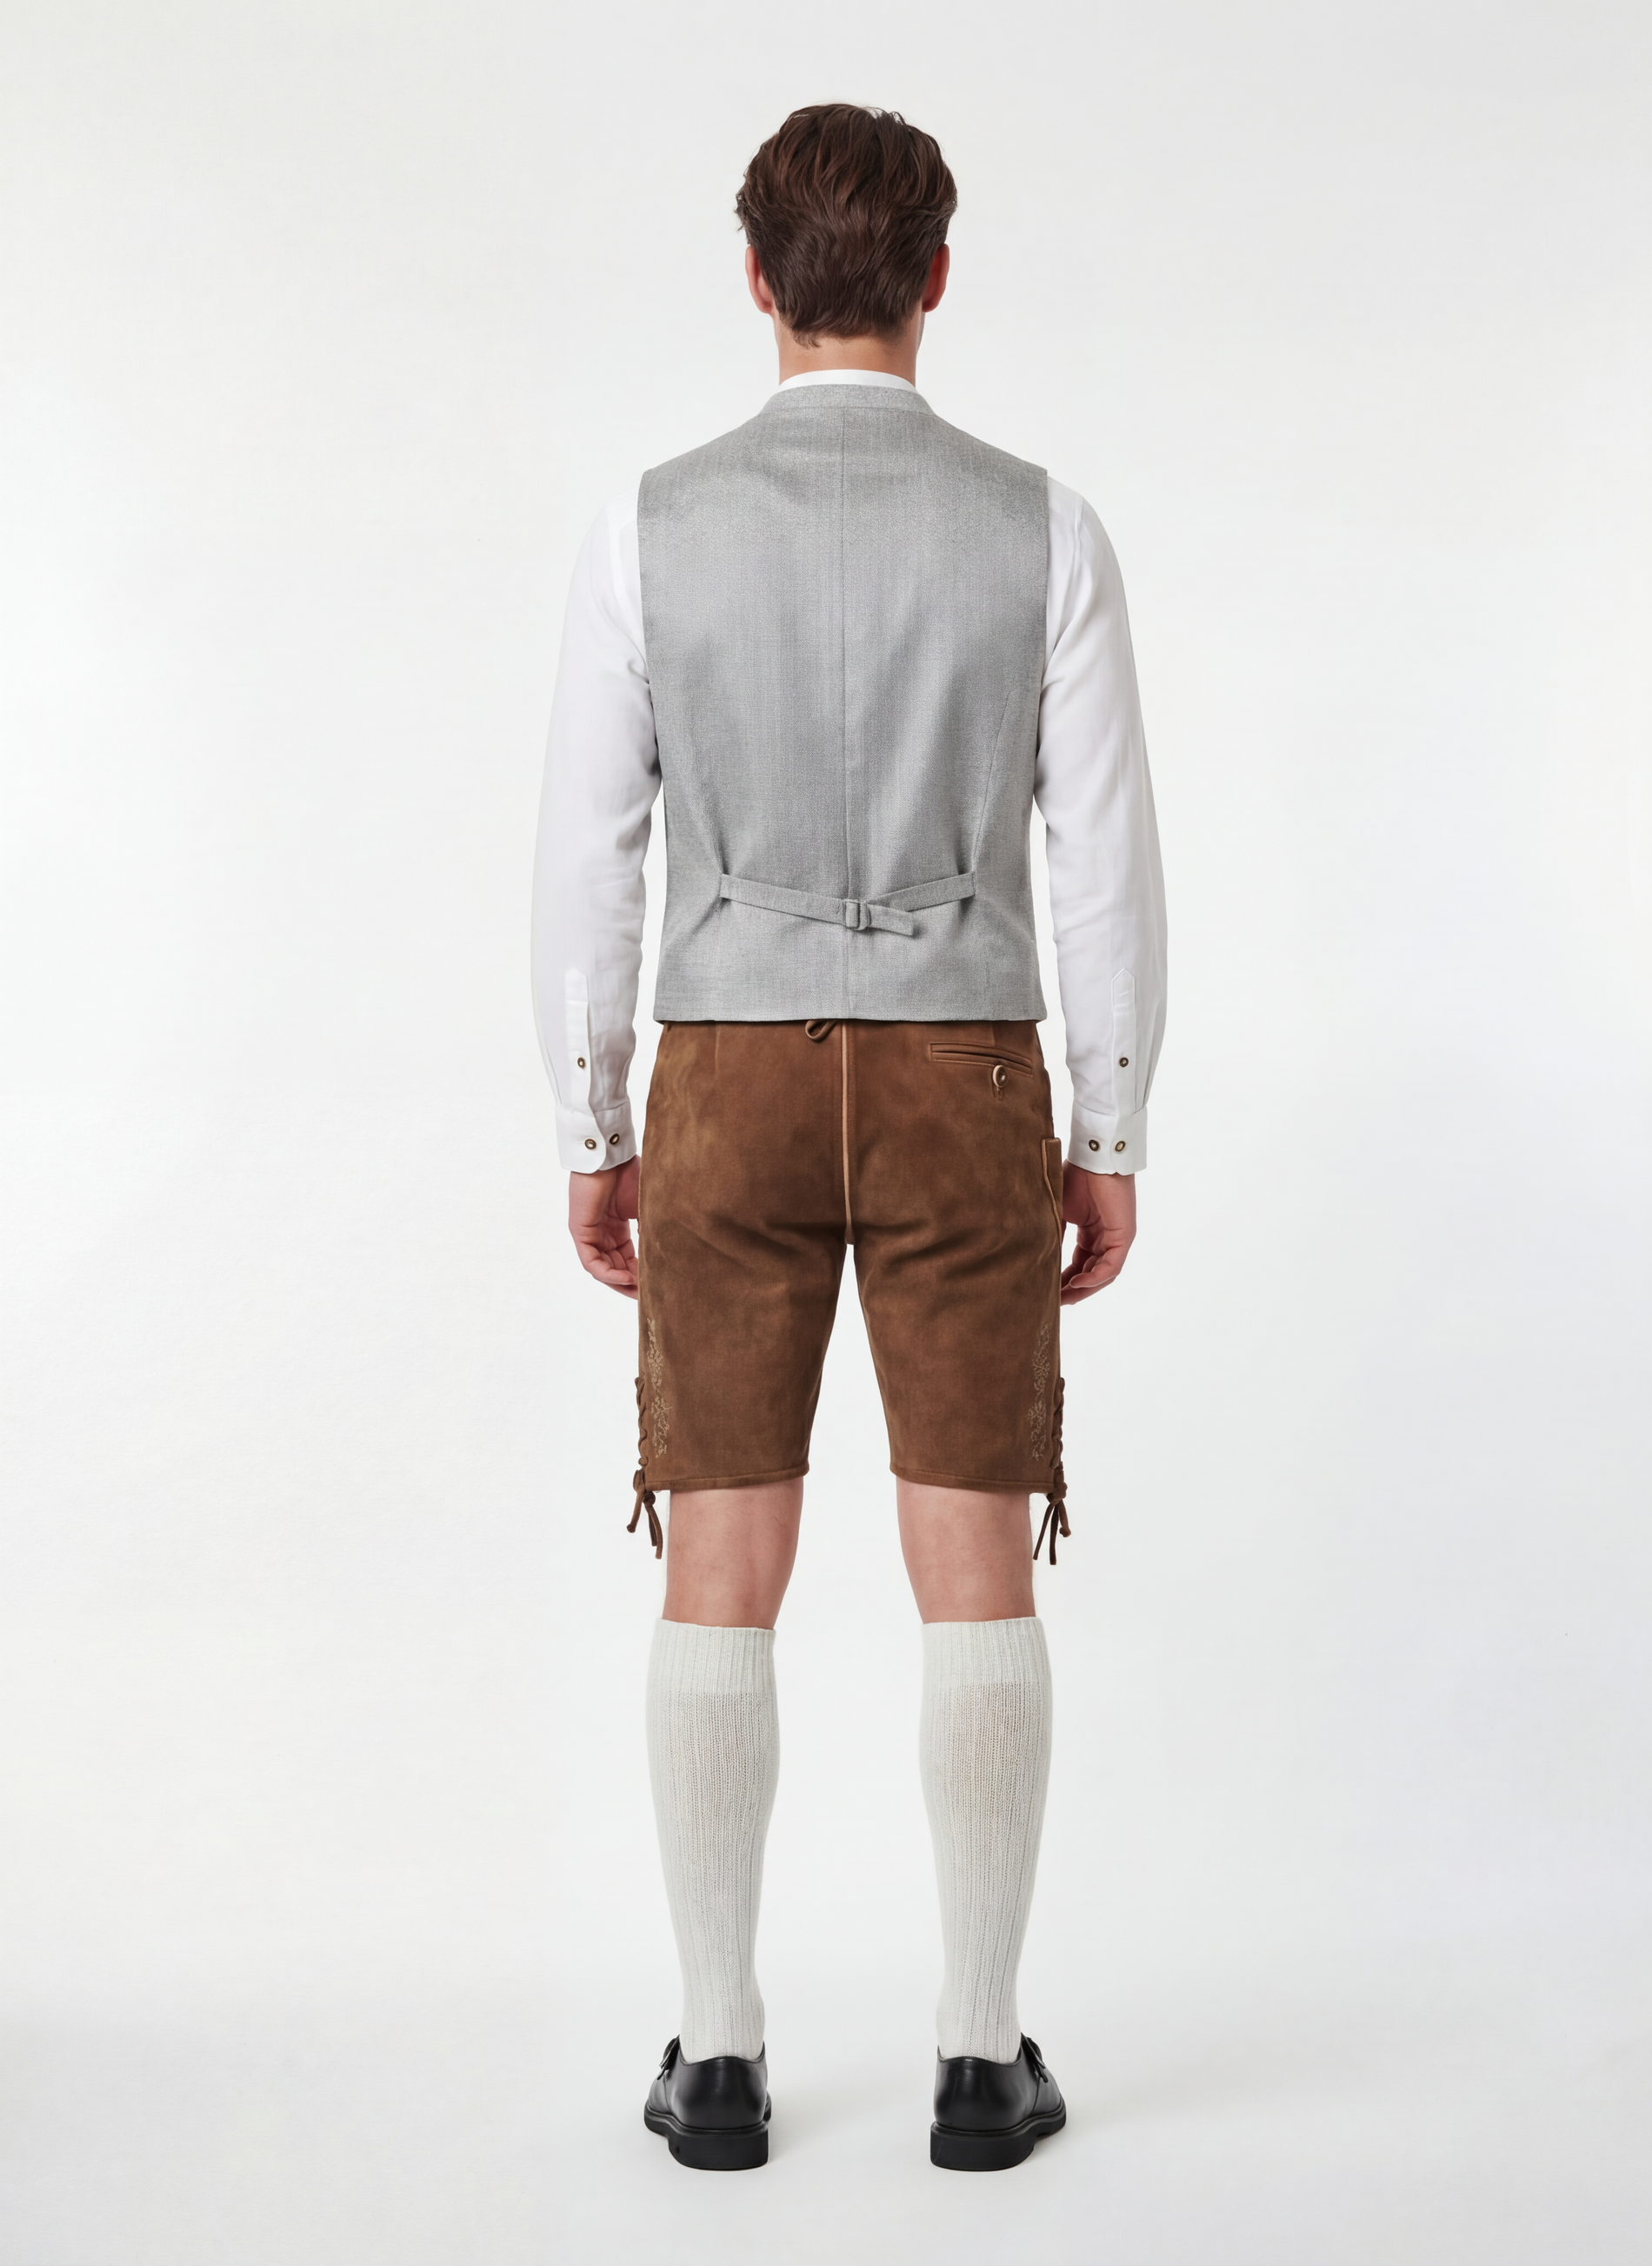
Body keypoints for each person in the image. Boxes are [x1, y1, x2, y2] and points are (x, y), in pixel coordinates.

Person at [531, 102, 1166, 2174]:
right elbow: (1102, 863)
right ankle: (977, 2062)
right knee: (971, 1547)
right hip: (965, 1071)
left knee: (721, 1552)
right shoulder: (1043, 529)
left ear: (755, 279)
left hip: (719, 1073)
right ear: (934, 280)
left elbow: (589, 856)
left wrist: (593, 1114)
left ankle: (718, 2060)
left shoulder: (647, 529)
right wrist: (1107, 1121)